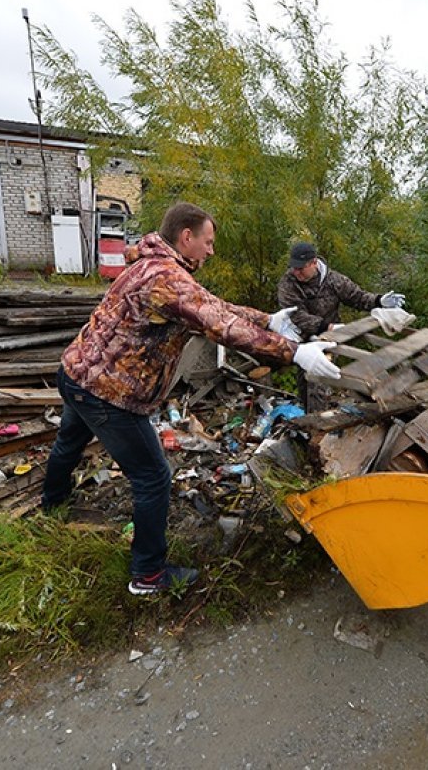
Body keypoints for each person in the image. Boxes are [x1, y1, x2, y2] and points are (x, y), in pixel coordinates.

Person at [41, 203, 341, 596]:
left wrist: (267, 320)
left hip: (77, 372)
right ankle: (147, 575)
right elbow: (216, 323)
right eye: (208, 241)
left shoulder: (153, 265)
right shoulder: (164, 277)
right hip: (109, 394)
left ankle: (53, 505)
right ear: (187, 237)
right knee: (153, 478)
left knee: (69, 442)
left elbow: (210, 305)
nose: (211, 251)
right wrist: (293, 351)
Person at [276, 242, 405, 340]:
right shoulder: (288, 284)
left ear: (314, 263)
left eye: (301, 268)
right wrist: (327, 327)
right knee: (307, 374)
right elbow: (296, 315)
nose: (296, 272)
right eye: (294, 268)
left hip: (332, 337)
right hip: (300, 340)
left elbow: (357, 297)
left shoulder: (333, 280)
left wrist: (379, 301)